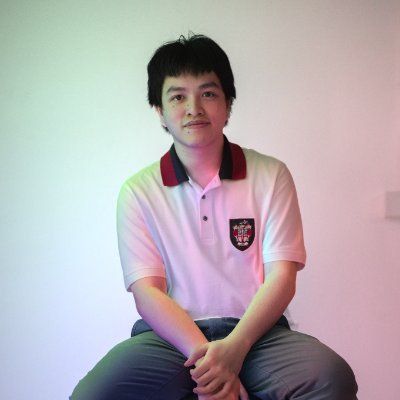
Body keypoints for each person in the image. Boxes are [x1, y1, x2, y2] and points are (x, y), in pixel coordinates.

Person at [70, 34, 358, 400]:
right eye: (177, 96)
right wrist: (212, 365)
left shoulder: (271, 175)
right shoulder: (138, 191)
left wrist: (235, 349)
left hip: (257, 336)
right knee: (93, 394)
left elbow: (282, 278)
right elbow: (147, 292)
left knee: (330, 377)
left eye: (208, 93)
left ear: (227, 103)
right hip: (168, 341)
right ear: (159, 110)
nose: (194, 108)